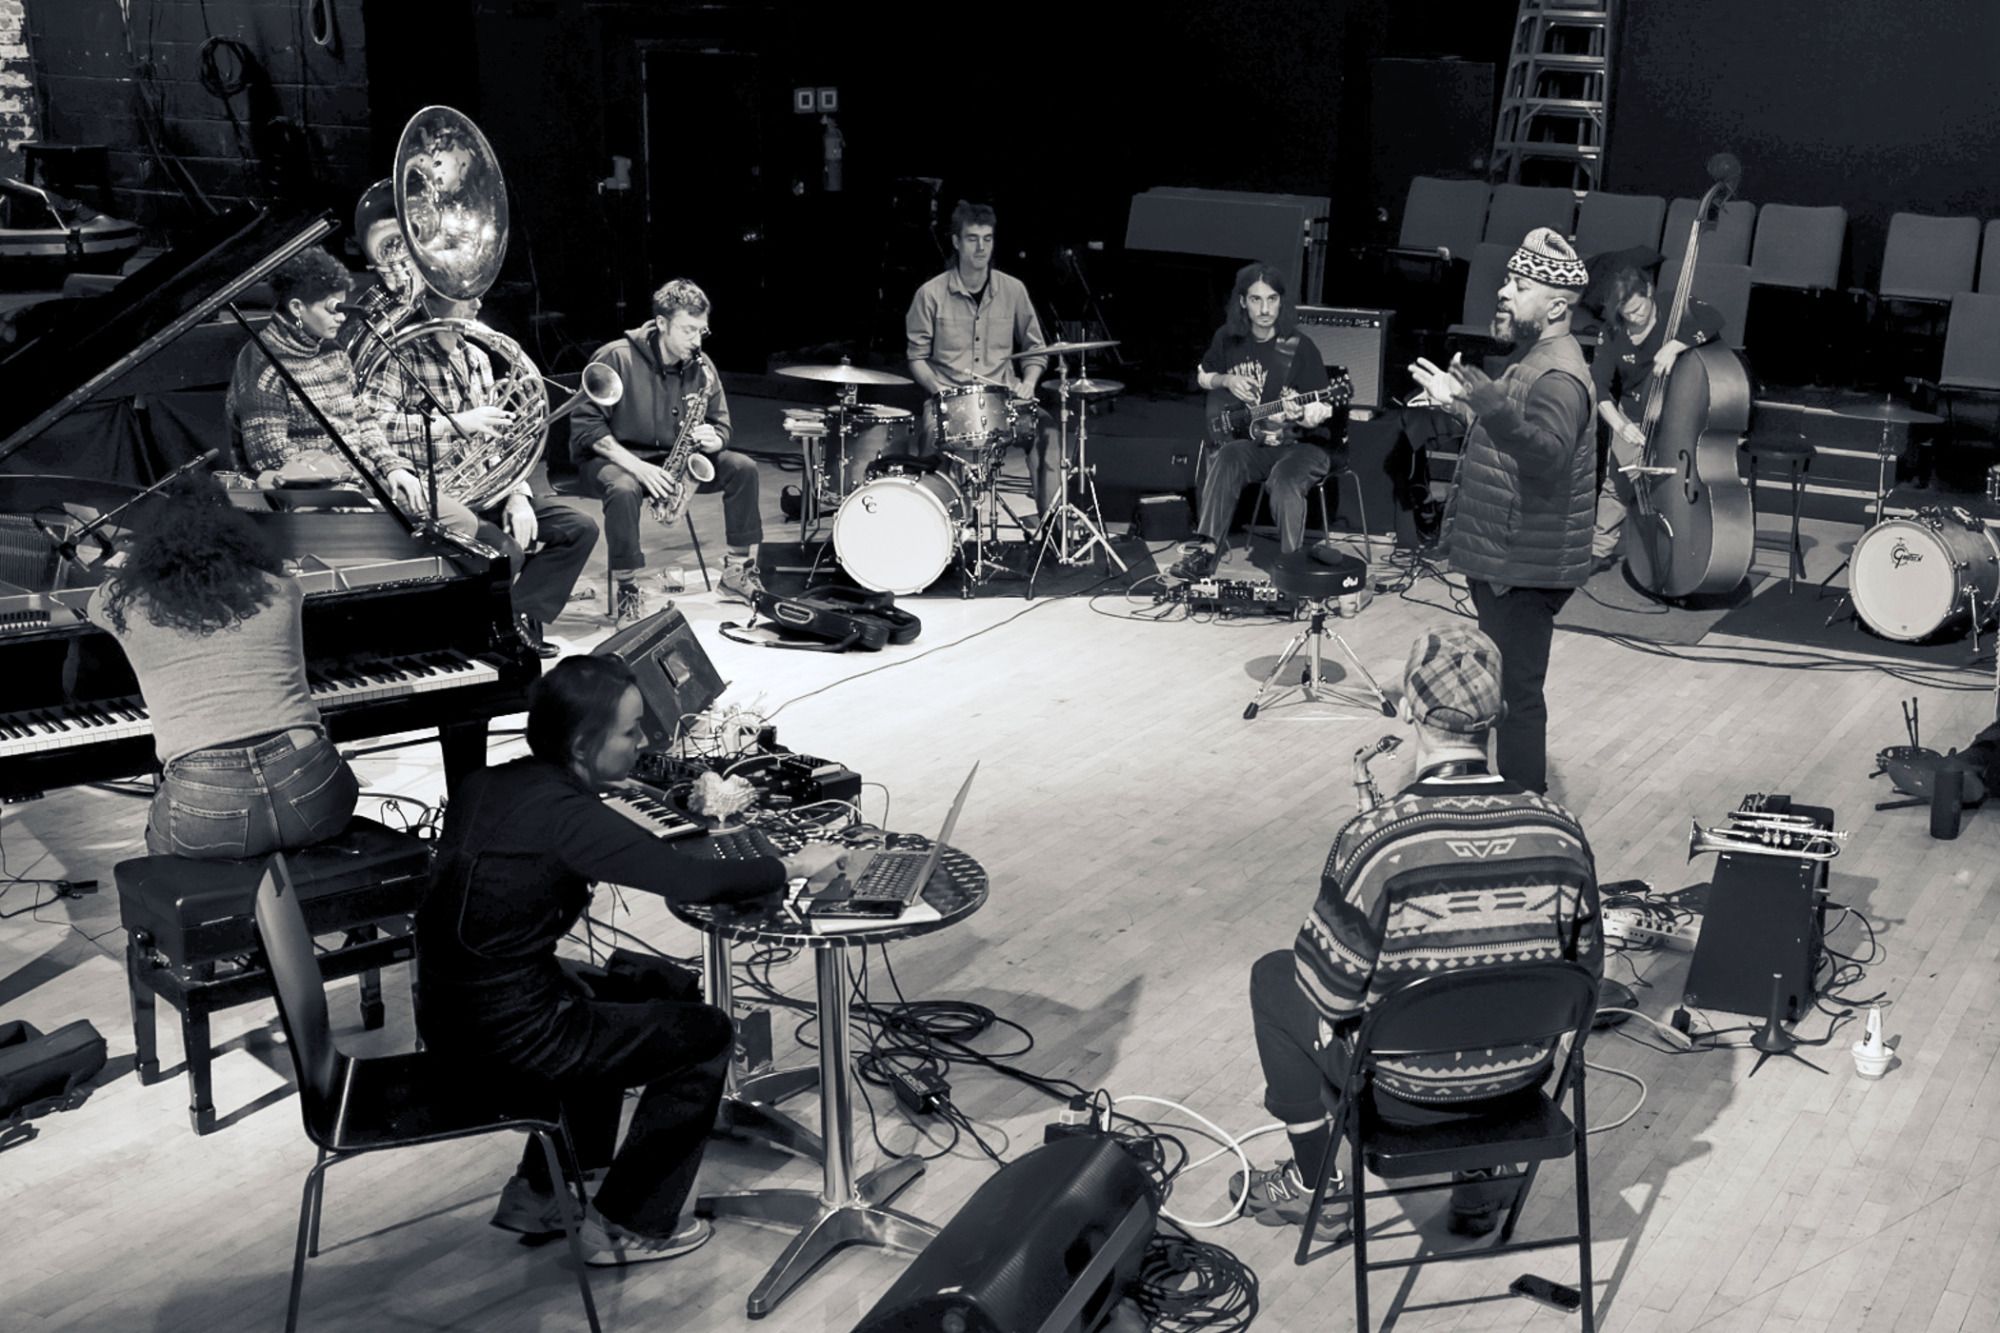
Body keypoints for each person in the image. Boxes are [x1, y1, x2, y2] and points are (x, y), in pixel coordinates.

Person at [415, 655, 846, 1265]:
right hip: (508, 1038)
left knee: (650, 988)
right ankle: (626, 1225)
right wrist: (791, 866)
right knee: (705, 1034)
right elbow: (687, 879)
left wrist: (595, 793)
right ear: (582, 745)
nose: (643, 743)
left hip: (450, 1014)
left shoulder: (489, 784)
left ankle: (542, 1192)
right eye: (630, 731)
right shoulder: (568, 818)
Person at [1240, 625, 1601, 1235]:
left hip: (1404, 1099)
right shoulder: (1562, 831)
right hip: (1521, 1082)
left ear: (1408, 709)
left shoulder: (1376, 842)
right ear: (1500, 713)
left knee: (1274, 978)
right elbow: (1585, 981)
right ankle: (1479, 1178)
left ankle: (1315, 1185)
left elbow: (1330, 996)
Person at [1409, 227, 1598, 795]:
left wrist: (1491, 407)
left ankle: (1524, 809)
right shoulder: (1536, 358)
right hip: (1509, 558)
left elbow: (1547, 455)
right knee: (1510, 689)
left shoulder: (1559, 376)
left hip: (1523, 565)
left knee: (1516, 696)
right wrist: (1463, 404)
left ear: (1556, 306)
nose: (1504, 292)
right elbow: (1511, 439)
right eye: (1509, 281)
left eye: (1519, 285)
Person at [87, 475, 360, 860]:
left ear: (153, 543)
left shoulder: (121, 603)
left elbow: (94, 602)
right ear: (239, 535)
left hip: (205, 804)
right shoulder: (281, 589)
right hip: (314, 788)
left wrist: (129, 563)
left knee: (162, 848)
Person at [360, 288, 602, 657]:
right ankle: (495, 629)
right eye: (465, 296)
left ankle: (512, 619)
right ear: (432, 301)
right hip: (438, 494)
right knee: (505, 554)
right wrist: (453, 423)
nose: (478, 304)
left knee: (579, 528)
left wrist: (518, 495)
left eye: (479, 295)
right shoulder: (400, 356)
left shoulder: (477, 357)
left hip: (487, 488)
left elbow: (501, 442)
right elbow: (373, 424)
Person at [225, 248, 481, 540]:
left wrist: (393, 468)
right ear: (297, 307)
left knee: (460, 522)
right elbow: (270, 458)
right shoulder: (261, 364)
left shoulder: (333, 353)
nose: (341, 318)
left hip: (361, 483)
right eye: (332, 309)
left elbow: (364, 422)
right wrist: (344, 488)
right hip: (310, 496)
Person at [570, 280, 765, 620]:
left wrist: (715, 438)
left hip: (672, 460)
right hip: (613, 458)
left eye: (702, 331)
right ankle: (628, 588)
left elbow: (722, 424)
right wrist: (637, 467)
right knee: (624, 488)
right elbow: (587, 429)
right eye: (688, 330)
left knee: (743, 467)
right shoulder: (616, 357)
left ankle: (736, 572)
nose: (697, 341)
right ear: (662, 323)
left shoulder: (702, 366)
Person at [1170, 262, 1349, 579]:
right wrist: (1226, 379)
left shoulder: (1299, 346)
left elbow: (1322, 409)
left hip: (1303, 446)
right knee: (1226, 456)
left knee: (1284, 480)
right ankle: (1206, 552)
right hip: (1257, 441)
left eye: (1272, 299)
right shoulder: (1227, 339)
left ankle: (1292, 565)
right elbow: (1203, 376)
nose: (1265, 309)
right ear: (1243, 302)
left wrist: (1302, 414)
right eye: (1256, 299)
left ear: (1281, 302)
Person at [904, 200, 1061, 534]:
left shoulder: (1013, 290)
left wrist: (1029, 381)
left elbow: (1035, 349)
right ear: (956, 242)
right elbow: (916, 357)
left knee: (1047, 431)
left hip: (1005, 398)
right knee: (931, 436)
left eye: (987, 239)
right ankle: (938, 531)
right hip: (949, 397)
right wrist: (939, 390)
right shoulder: (930, 294)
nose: (981, 248)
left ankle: (1052, 528)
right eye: (972, 239)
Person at [1588, 264, 1725, 571]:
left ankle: (1686, 547)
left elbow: (1714, 318)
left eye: (1638, 310)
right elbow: (1599, 386)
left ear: (1649, 293)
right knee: (1618, 481)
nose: (1634, 318)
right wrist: (1620, 426)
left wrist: (1676, 345)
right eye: (1627, 314)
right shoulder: (1612, 330)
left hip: (1680, 414)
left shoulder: (1672, 305)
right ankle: (1600, 549)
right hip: (1634, 412)